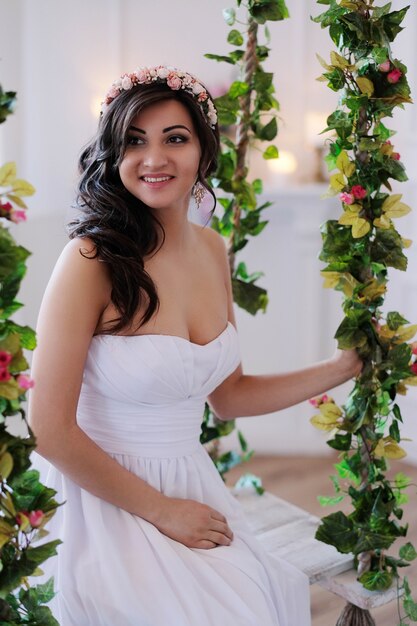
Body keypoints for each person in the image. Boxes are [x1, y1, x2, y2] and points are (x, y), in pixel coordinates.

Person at [28, 65, 362, 626]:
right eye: (135, 141)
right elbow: (50, 429)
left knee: (257, 595)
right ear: (114, 155)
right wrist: (162, 512)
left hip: (189, 480)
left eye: (174, 139)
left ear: (204, 154)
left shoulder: (211, 249)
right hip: (99, 497)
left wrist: (340, 367)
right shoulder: (90, 261)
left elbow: (227, 396)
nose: (153, 158)